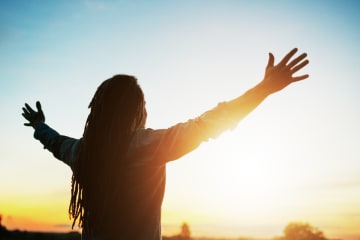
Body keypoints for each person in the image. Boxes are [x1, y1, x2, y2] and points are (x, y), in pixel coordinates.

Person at [22, 48, 309, 240]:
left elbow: (54, 141)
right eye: (142, 105)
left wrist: (38, 125)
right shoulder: (146, 146)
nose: (146, 111)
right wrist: (264, 89)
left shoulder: (82, 152)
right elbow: (209, 123)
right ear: (135, 111)